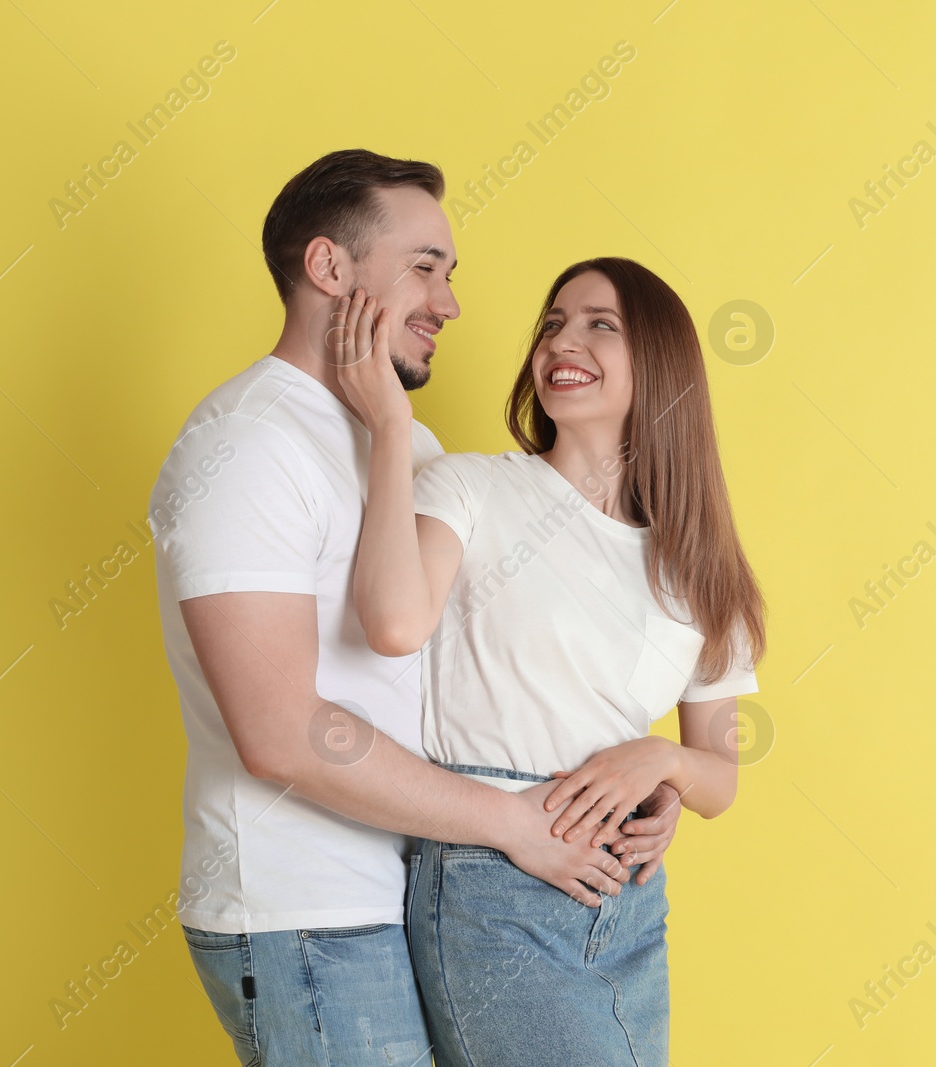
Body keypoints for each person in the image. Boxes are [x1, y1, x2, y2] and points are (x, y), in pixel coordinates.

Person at [150, 151, 685, 1066]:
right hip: (306, 915)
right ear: (329, 270)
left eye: (451, 274)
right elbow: (281, 732)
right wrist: (511, 822)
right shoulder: (248, 446)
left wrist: (640, 781)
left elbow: (487, 663)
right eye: (424, 267)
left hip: (413, 893)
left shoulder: (405, 441)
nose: (449, 302)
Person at [336, 255, 768, 1066]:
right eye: (553, 323)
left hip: (629, 901)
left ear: (661, 364)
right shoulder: (468, 488)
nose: (561, 341)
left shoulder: (699, 567)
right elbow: (394, 622)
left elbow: (721, 781)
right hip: (492, 881)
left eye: (600, 324)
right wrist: (391, 425)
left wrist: (662, 761)